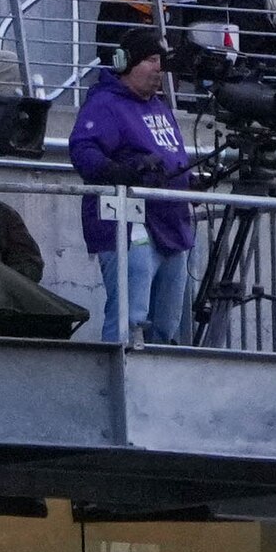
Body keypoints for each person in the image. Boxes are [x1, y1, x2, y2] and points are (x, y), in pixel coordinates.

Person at [70, 29, 196, 346]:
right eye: (151, 60)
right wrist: (122, 172)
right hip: (130, 226)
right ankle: (119, 384)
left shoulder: (160, 107)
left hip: (172, 225)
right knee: (130, 319)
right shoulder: (105, 104)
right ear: (125, 62)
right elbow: (83, 151)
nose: (159, 68)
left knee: (168, 326)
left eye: (161, 61)